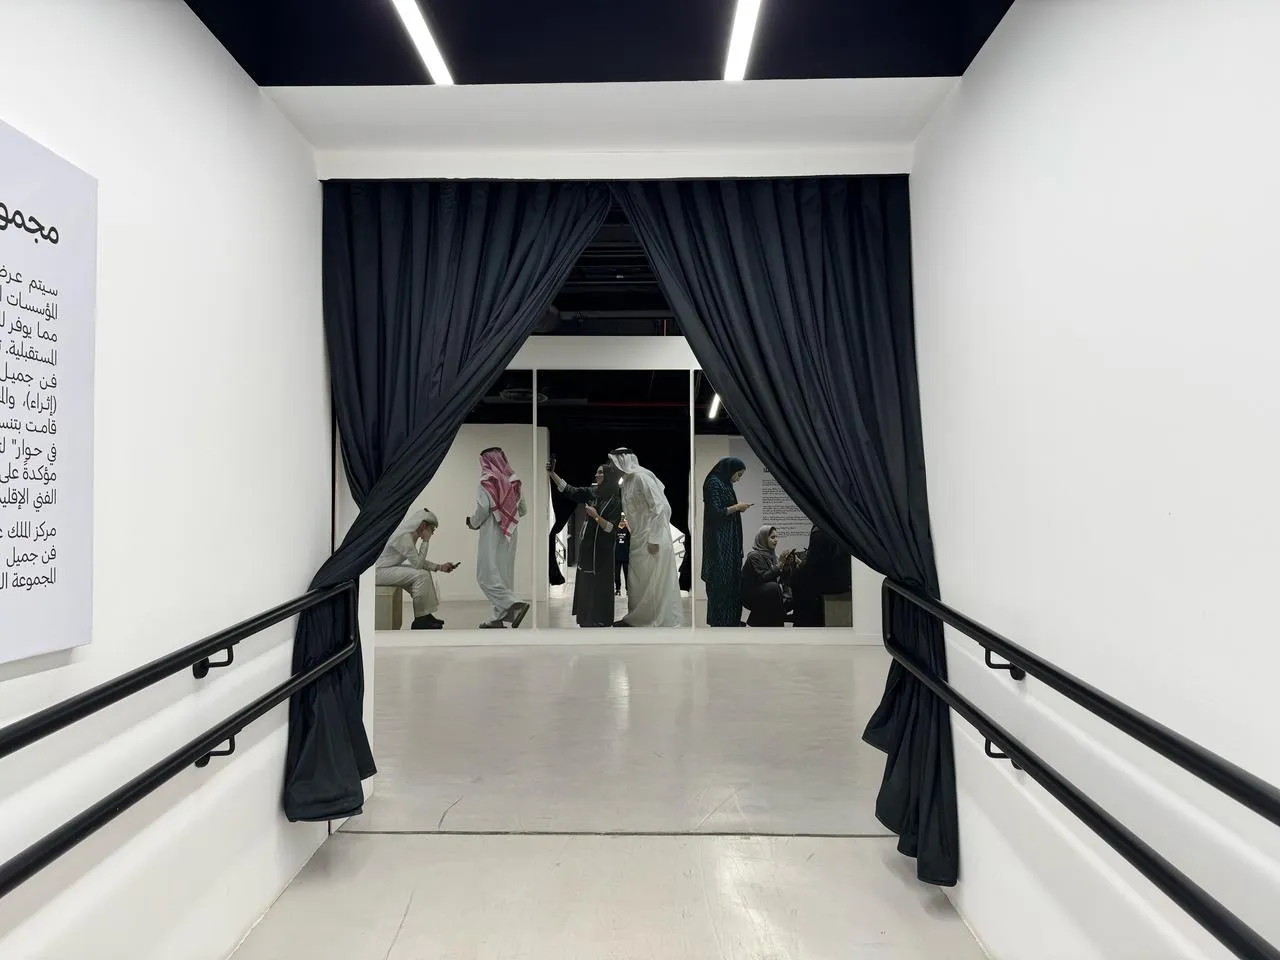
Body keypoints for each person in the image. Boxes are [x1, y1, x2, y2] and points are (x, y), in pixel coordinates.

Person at [609, 448, 683, 627]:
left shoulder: (642, 477)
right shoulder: (626, 482)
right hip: (638, 538)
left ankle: (654, 621)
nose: (611, 466)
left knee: (654, 583)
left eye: (613, 462)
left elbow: (661, 507)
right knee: (638, 582)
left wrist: (654, 538)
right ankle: (637, 619)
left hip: (652, 538)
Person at [548, 460, 623, 627]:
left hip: (602, 552)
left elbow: (611, 528)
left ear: (608, 476)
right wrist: (552, 474)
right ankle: (585, 618)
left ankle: (600, 619)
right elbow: (570, 490)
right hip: (587, 549)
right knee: (586, 582)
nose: (597, 475)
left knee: (600, 583)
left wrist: (596, 516)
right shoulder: (592, 492)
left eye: (601, 472)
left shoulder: (615, 501)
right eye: (597, 472)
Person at [465, 447, 530, 629]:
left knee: (485, 575)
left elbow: (483, 509)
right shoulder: (514, 481)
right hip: (510, 532)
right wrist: (507, 513)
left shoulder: (486, 481)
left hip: (492, 532)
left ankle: (514, 604)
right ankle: (497, 618)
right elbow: (523, 510)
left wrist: (473, 523)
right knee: (503, 575)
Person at [376, 509, 459, 629]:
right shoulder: (404, 537)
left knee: (424, 573)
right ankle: (420, 620)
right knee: (421, 576)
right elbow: (418, 564)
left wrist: (440, 567)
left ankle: (425, 615)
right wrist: (426, 541)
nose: (432, 533)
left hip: (384, 569)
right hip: (378, 572)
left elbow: (417, 561)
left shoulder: (409, 534)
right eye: (432, 529)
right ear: (423, 525)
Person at [700, 456, 751, 626]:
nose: (738, 479)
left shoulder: (724, 483)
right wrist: (737, 507)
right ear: (730, 470)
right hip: (719, 541)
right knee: (720, 578)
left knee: (731, 578)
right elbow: (715, 512)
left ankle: (731, 619)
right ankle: (720, 620)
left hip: (729, 539)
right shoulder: (713, 483)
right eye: (738, 474)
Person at [790, 525, 853, 627]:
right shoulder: (842, 529)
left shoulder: (819, 534)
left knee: (797, 578)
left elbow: (815, 566)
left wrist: (801, 567)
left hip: (828, 584)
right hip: (843, 580)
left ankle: (802, 622)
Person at [740, 526, 796, 627]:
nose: (776, 540)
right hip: (751, 594)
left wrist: (787, 566)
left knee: (783, 589)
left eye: (777, 537)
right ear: (763, 538)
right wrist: (780, 564)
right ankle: (782, 616)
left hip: (767, 591)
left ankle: (779, 617)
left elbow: (783, 580)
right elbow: (763, 577)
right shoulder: (754, 556)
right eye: (772, 537)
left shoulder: (774, 556)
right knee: (773, 587)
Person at [615, 516, 630, 596]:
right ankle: (618, 589)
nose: (622, 521)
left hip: (626, 556)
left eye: (623, 519)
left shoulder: (627, 529)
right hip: (617, 556)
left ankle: (628, 590)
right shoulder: (616, 529)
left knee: (627, 574)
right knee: (617, 574)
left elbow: (632, 536)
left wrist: (627, 526)